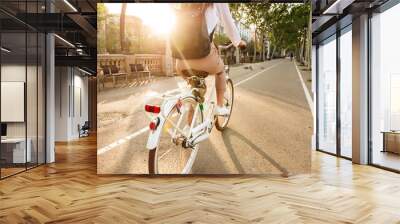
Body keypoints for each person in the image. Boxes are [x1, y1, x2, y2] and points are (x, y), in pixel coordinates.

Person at [172, 3, 246, 116]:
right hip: (204, 58)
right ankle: (220, 107)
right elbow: (229, 25)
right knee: (221, 71)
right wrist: (238, 42)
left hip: (180, 63)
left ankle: (188, 126)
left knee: (194, 92)